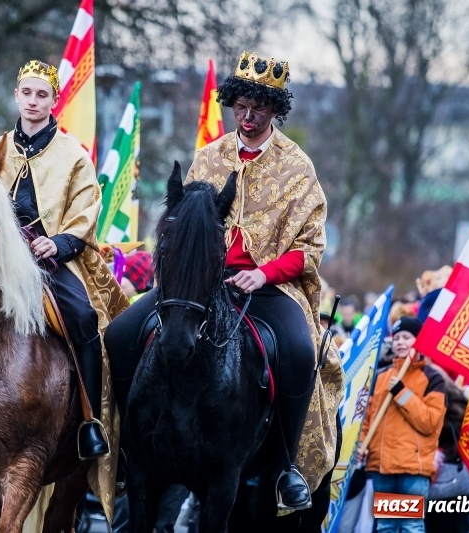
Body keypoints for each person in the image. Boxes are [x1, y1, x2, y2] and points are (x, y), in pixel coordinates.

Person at [105, 50, 344, 511]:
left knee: (298, 349)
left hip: (268, 288)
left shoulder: (299, 169)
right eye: (241, 106)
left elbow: (309, 248)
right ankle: (125, 448)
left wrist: (264, 273)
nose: (248, 116)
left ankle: (285, 467)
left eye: (259, 107)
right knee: (118, 334)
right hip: (198, 285)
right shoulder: (207, 158)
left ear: (275, 109)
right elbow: (181, 226)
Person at [0, 59, 129, 460]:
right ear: (16, 96)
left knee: (82, 317)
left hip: (50, 264)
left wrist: (58, 244)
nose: (32, 101)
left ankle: (89, 422)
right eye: (26, 93)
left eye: (41, 94)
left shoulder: (75, 157)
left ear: (54, 101)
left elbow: (85, 213)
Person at [359, 317, 446, 533]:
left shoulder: (433, 378)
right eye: (396, 338)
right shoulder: (380, 377)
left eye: (406, 337)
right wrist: (362, 444)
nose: (400, 342)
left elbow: (429, 422)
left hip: (412, 469)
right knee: (386, 525)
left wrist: (401, 392)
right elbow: (368, 419)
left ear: (419, 342)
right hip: (382, 466)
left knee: (410, 525)